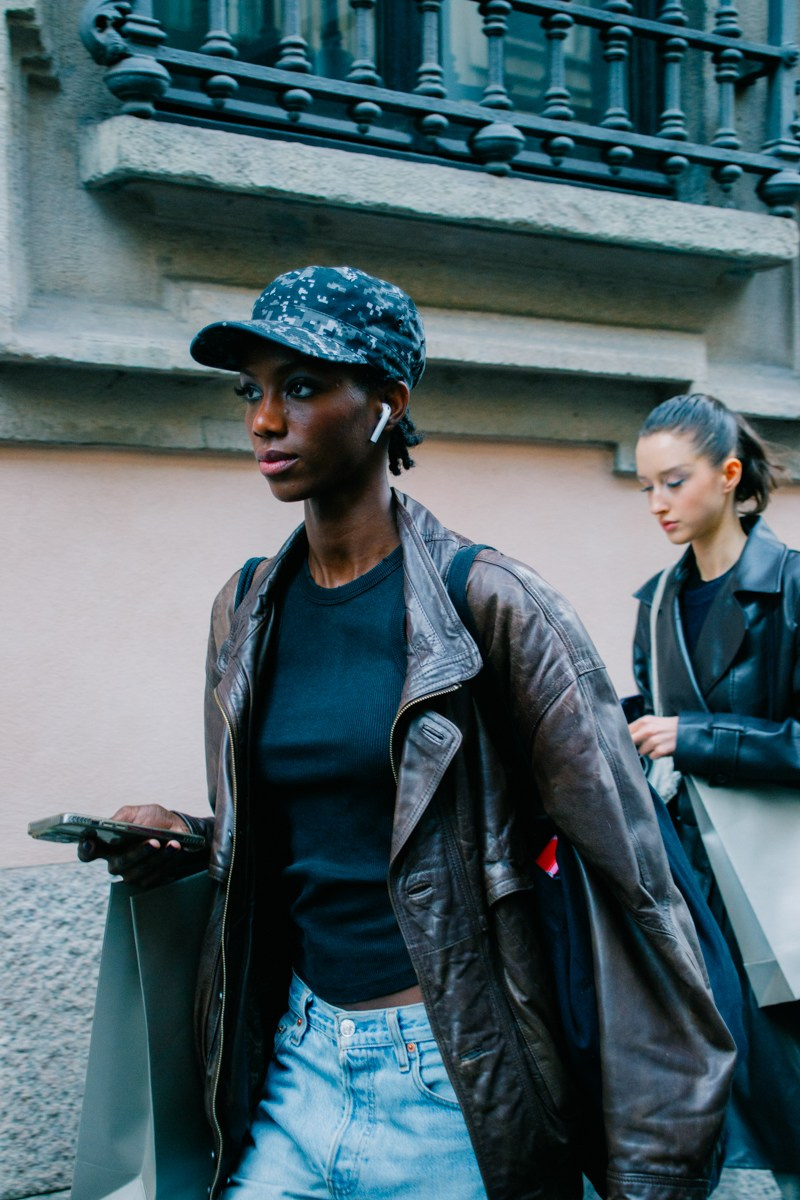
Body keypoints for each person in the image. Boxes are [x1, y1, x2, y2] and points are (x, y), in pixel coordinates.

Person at [81, 268, 735, 1200]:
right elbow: (324, 832)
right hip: (294, 1070)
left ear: (388, 403)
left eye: (301, 387)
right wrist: (184, 839)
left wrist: (657, 1172)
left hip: (451, 1087)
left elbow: (638, 888)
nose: (264, 419)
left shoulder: (493, 604)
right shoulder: (247, 608)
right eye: (251, 392)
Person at [628, 392, 800, 1199]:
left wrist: (695, 736)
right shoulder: (656, 602)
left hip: (780, 884)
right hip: (693, 882)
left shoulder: (791, 588)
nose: (658, 504)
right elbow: (653, 718)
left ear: (730, 476)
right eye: (647, 487)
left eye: (675, 482)